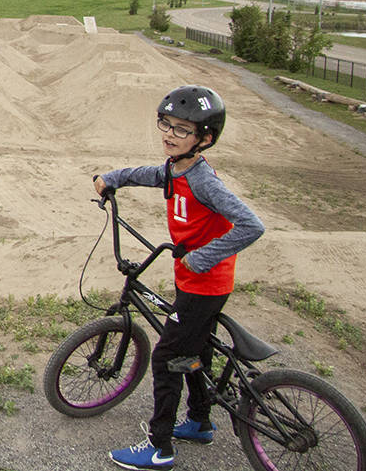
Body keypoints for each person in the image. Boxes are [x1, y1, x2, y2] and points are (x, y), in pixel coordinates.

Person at [93, 85, 264, 471]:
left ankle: (160, 447)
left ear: (204, 138)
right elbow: (150, 174)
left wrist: (203, 258)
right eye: (165, 124)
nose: (170, 134)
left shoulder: (204, 180)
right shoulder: (176, 168)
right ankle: (201, 422)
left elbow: (252, 226)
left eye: (182, 129)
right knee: (195, 353)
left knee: (168, 357)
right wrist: (113, 178)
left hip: (205, 284)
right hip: (194, 282)